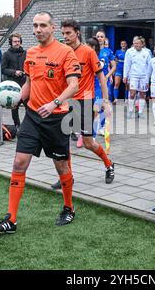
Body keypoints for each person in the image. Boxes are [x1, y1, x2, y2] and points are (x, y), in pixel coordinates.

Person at [0, 12, 81, 234]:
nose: (37, 29)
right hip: (32, 116)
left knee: (61, 166)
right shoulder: (31, 52)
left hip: (56, 118)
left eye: (42, 25)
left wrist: (54, 103)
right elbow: (29, 84)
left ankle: (69, 207)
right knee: (19, 163)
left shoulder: (66, 52)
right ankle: (11, 219)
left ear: (52, 28)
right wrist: (17, 99)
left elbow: (74, 86)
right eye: (35, 25)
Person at [50, 19, 114, 191]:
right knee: (63, 142)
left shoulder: (88, 52)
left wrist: (105, 101)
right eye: (63, 33)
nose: (65, 37)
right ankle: (67, 177)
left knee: (88, 143)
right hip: (66, 101)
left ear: (77, 33)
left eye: (68, 33)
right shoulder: (61, 52)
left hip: (85, 100)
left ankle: (109, 165)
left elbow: (101, 77)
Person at [1, 33, 27, 127]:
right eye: (15, 41)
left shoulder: (25, 53)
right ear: (11, 43)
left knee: (28, 106)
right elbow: (2, 69)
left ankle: (27, 126)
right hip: (13, 84)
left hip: (24, 84)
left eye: (19, 41)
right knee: (14, 107)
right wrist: (14, 72)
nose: (17, 43)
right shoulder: (6, 54)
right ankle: (17, 126)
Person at [123, 36, 151, 119]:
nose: (136, 45)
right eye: (135, 43)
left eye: (138, 43)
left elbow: (149, 66)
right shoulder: (130, 52)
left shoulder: (146, 53)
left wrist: (148, 78)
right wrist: (125, 76)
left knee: (142, 94)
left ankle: (140, 112)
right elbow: (127, 64)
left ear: (142, 44)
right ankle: (130, 110)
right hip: (133, 76)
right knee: (132, 94)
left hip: (143, 76)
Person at [113, 40, 127, 104]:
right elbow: (115, 61)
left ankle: (126, 99)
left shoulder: (128, 51)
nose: (123, 45)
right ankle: (116, 99)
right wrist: (114, 70)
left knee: (127, 85)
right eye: (122, 44)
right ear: (120, 45)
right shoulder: (118, 51)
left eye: (124, 44)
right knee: (116, 84)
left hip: (126, 70)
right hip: (118, 69)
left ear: (126, 44)